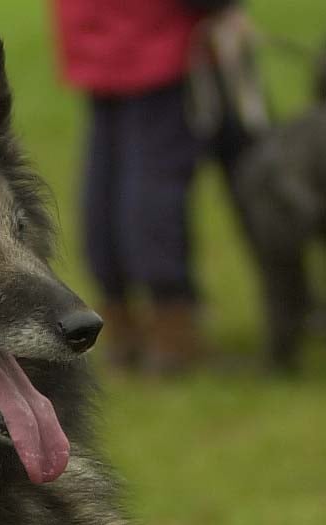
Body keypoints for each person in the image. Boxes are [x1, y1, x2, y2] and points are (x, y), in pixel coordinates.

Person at [50, 0, 252, 373]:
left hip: (97, 25)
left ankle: (121, 329)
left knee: (109, 173)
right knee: (154, 180)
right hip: (156, 28)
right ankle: (171, 333)